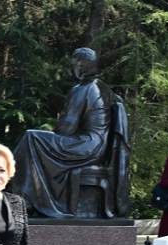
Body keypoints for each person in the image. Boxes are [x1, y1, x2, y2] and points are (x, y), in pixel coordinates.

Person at [12, 47, 130, 218]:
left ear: (80, 66)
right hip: (98, 147)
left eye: (75, 65)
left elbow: (67, 128)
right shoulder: (103, 87)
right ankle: (30, 198)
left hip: (86, 145)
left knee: (32, 137)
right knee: (35, 139)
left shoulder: (83, 88)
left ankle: (27, 199)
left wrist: (52, 134)